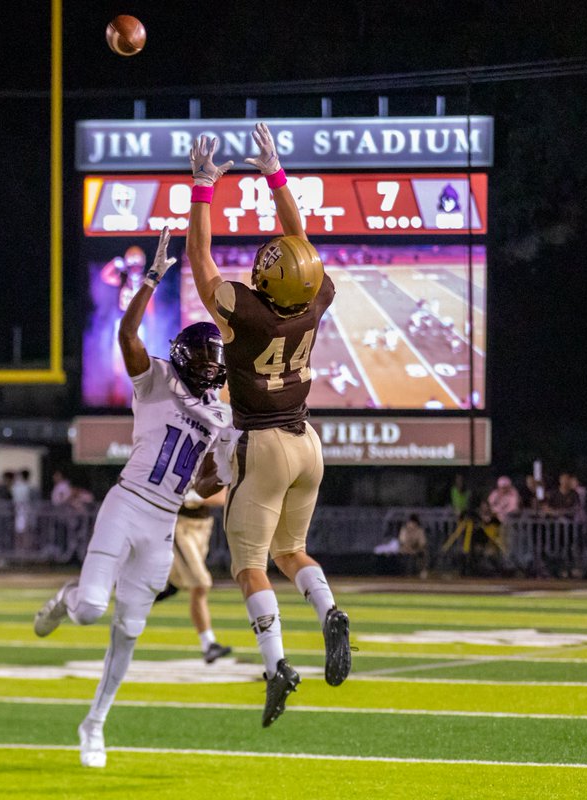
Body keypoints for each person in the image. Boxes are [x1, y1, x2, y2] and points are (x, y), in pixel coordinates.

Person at [32, 229, 230, 768]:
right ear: (187, 358)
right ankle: (66, 599)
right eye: (208, 359)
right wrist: (150, 280)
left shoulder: (220, 414)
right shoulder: (157, 380)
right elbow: (126, 332)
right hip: (126, 504)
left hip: (165, 521)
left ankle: (94, 724)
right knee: (93, 610)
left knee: (129, 633)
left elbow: (211, 478)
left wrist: (223, 473)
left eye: (218, 361)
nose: (215, 369)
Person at [185, 124, 350, 728]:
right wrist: (277, 176)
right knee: (293, 550)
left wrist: (203, 188)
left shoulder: (247, 315)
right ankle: (327, 608)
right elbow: (300, 243)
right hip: (309, 443)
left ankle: (276, 662)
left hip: (265, 444)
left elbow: (201, 261)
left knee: (249, 564)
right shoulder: (316, 296)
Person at [155, 487, 234, 664]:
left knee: (182, 580)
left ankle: (162, 588)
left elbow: (222, 496)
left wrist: (194, 496)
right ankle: (209, 644)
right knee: (201, 583)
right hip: (179, 524)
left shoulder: (212, 460)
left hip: (203, 526)